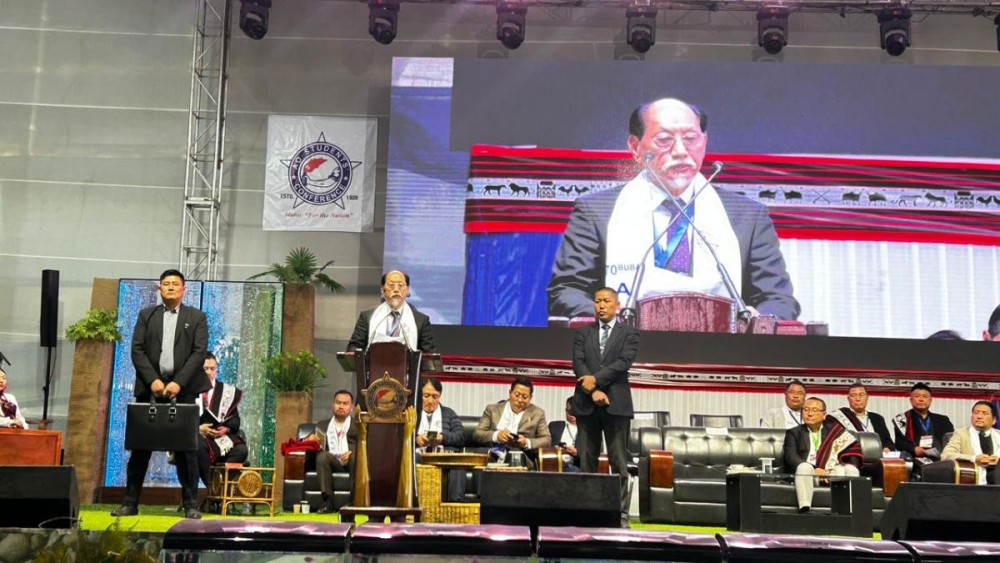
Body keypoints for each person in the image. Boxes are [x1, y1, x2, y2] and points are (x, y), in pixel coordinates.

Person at [547, 98, 799, 320]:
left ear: (704, 143)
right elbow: (566, 292)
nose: (680, 151)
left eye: (690, 139)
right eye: (665, 140)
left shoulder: (747, 215)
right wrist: (610, 315)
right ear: (635, 147)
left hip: (720, 357)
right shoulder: (596, 211)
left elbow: (779, 301)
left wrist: (758, 319)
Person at [113, 269, 209, 519]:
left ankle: (190, 504)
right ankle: (130, 503)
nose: (170, 288)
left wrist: (178, 382)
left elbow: (199, 352)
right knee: (140, 447)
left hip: (184, 391)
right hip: (151, 389)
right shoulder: (147, 316)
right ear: (159, 289)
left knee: (187, 449)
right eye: (165, 284)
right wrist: (153, 379)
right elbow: (137, 350)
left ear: (183, 289)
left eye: (175, 284)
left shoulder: (196, 316)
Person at [572, 287, 639, 528]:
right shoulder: (582, 334)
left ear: (617, 305)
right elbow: (578, 363)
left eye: (606, 301)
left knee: (619, 462)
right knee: (586, 462)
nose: (601, 305)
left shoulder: (629, 333)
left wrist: (596, 380)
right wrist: (593, 390)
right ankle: (587, 513)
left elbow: (623, 363)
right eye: (598, 301)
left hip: (616, 404)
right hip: (586, 403)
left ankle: (621, 516)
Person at [782, 397, 863, 513]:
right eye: (806, 410)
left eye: (814, 410)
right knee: (803, 467)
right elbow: (791, 457)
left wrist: (837, 468)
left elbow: (853, 451)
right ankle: (805, 508)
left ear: (824, 415)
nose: (809, 414)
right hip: (810, 475)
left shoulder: (834, 431)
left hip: (833, 472)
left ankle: (852, 511)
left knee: (851, 469)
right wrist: (816, 470)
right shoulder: (794, 433)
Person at [347, 270, 436, 353]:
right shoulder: (367, 317)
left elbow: (429, 355)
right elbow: (353, 348)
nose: (396, 290)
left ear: (408, 290)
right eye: (391, 285)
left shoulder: (421, 320)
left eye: (400, 285)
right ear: (382, 290)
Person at [473, 377, 552, 467]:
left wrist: (526, 442)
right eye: (517, 395)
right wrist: (497, 436)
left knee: (516, 454)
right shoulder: (492, 409)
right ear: (510, 393)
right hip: (492, 454)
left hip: (520, 457)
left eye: (525, 397)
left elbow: (546, 440)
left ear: (530, 398)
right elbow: (477, 434)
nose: (520, 400)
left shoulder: (537, 413)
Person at [196, 352, 248, 489]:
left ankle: (218, 490)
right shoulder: (189, 390)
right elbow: (182, 419)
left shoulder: (226, 392)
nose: (209, 372)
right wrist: (198, 428)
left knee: (241, 450)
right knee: (198, 446)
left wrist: (226, 429)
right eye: (205, 369)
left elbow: (235, 420)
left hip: (219, 437)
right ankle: (214, 492)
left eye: (212, 369)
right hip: (199, 435)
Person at [314, 390, 358, 514]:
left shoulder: (358, 425)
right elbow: (307, 441)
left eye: (345, 403)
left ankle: (354, 501)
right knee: (322, 456)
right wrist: (308, 439)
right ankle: (328, 502)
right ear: (333, 405)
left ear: (351, 407)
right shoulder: (322, 425)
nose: (341, 406)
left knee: (356, 456)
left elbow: (367, 445)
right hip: (332, 462)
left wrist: (352, 452)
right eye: (338, 403)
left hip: (351, 461)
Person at [941, 401, 1000, 485]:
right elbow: (946, 455)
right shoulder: (961, 434)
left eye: (984, 413)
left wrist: (998, 461)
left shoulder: (998, 435)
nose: (979, 416)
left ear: (994, 420)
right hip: (973, 479)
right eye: (976, 413)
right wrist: (974, 458)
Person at [893, 382, 954, 462]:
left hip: (940, 459)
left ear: (930, 400)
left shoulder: (943, 420)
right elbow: (899, 443)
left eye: (925, 396)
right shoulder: (902, 419)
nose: (921, 399)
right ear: (911, 400)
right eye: (917, 396)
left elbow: (951, 441)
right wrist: (914, 449)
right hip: (914, 460)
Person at [829, 383, 895, 453]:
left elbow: (888, 442)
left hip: (876, 458)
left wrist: (886, 448)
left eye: (861, 395)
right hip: (850, 458)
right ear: (848, 399)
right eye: (853, 395)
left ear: (867, 397)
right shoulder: (839, 417)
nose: (858, 399)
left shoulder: (878, 418)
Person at [415, 377, 466, 454]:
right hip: (417, 456)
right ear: (420, 395)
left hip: (444, 457)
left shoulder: (449, 413)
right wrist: (416, 439)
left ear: (439, 397)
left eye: (435, 397)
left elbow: (461, 437)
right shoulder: (412, 413)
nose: (430, 401)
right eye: (426, 396)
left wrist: (443, 438)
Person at [548, 397, 581, 471]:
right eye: (568, 411)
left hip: (576, 464)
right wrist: (555, 450)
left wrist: (576, 453)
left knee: (573, 470)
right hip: (556, 462)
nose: (571, 415)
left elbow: (594, 456)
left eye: (575, 412)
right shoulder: (554, 426)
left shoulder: (588, 430)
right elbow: (544, 446)